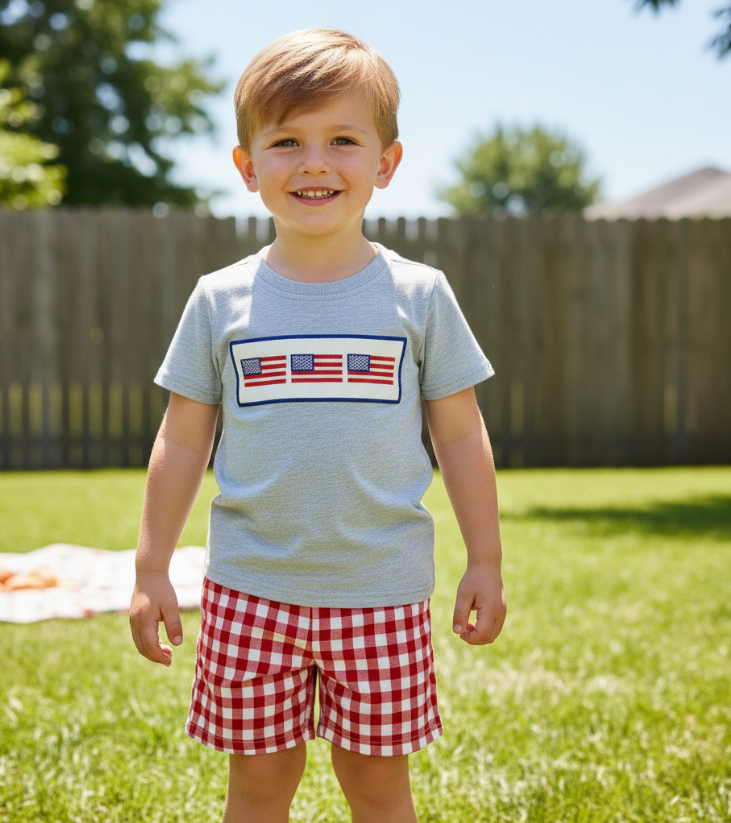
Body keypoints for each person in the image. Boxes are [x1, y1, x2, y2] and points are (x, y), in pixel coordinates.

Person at [130, 28, 507, 823]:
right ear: (247, 167)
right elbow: (183, 438)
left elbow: (460, 434)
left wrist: (485, 560)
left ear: (386, 162)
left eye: (342, 140)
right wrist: (151, 567)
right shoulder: (218, 299)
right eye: (286, 142)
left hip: (381, 590)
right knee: (260, 782)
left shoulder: (420, 295)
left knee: (376, 783)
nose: (313, 163)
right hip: (249, 591)